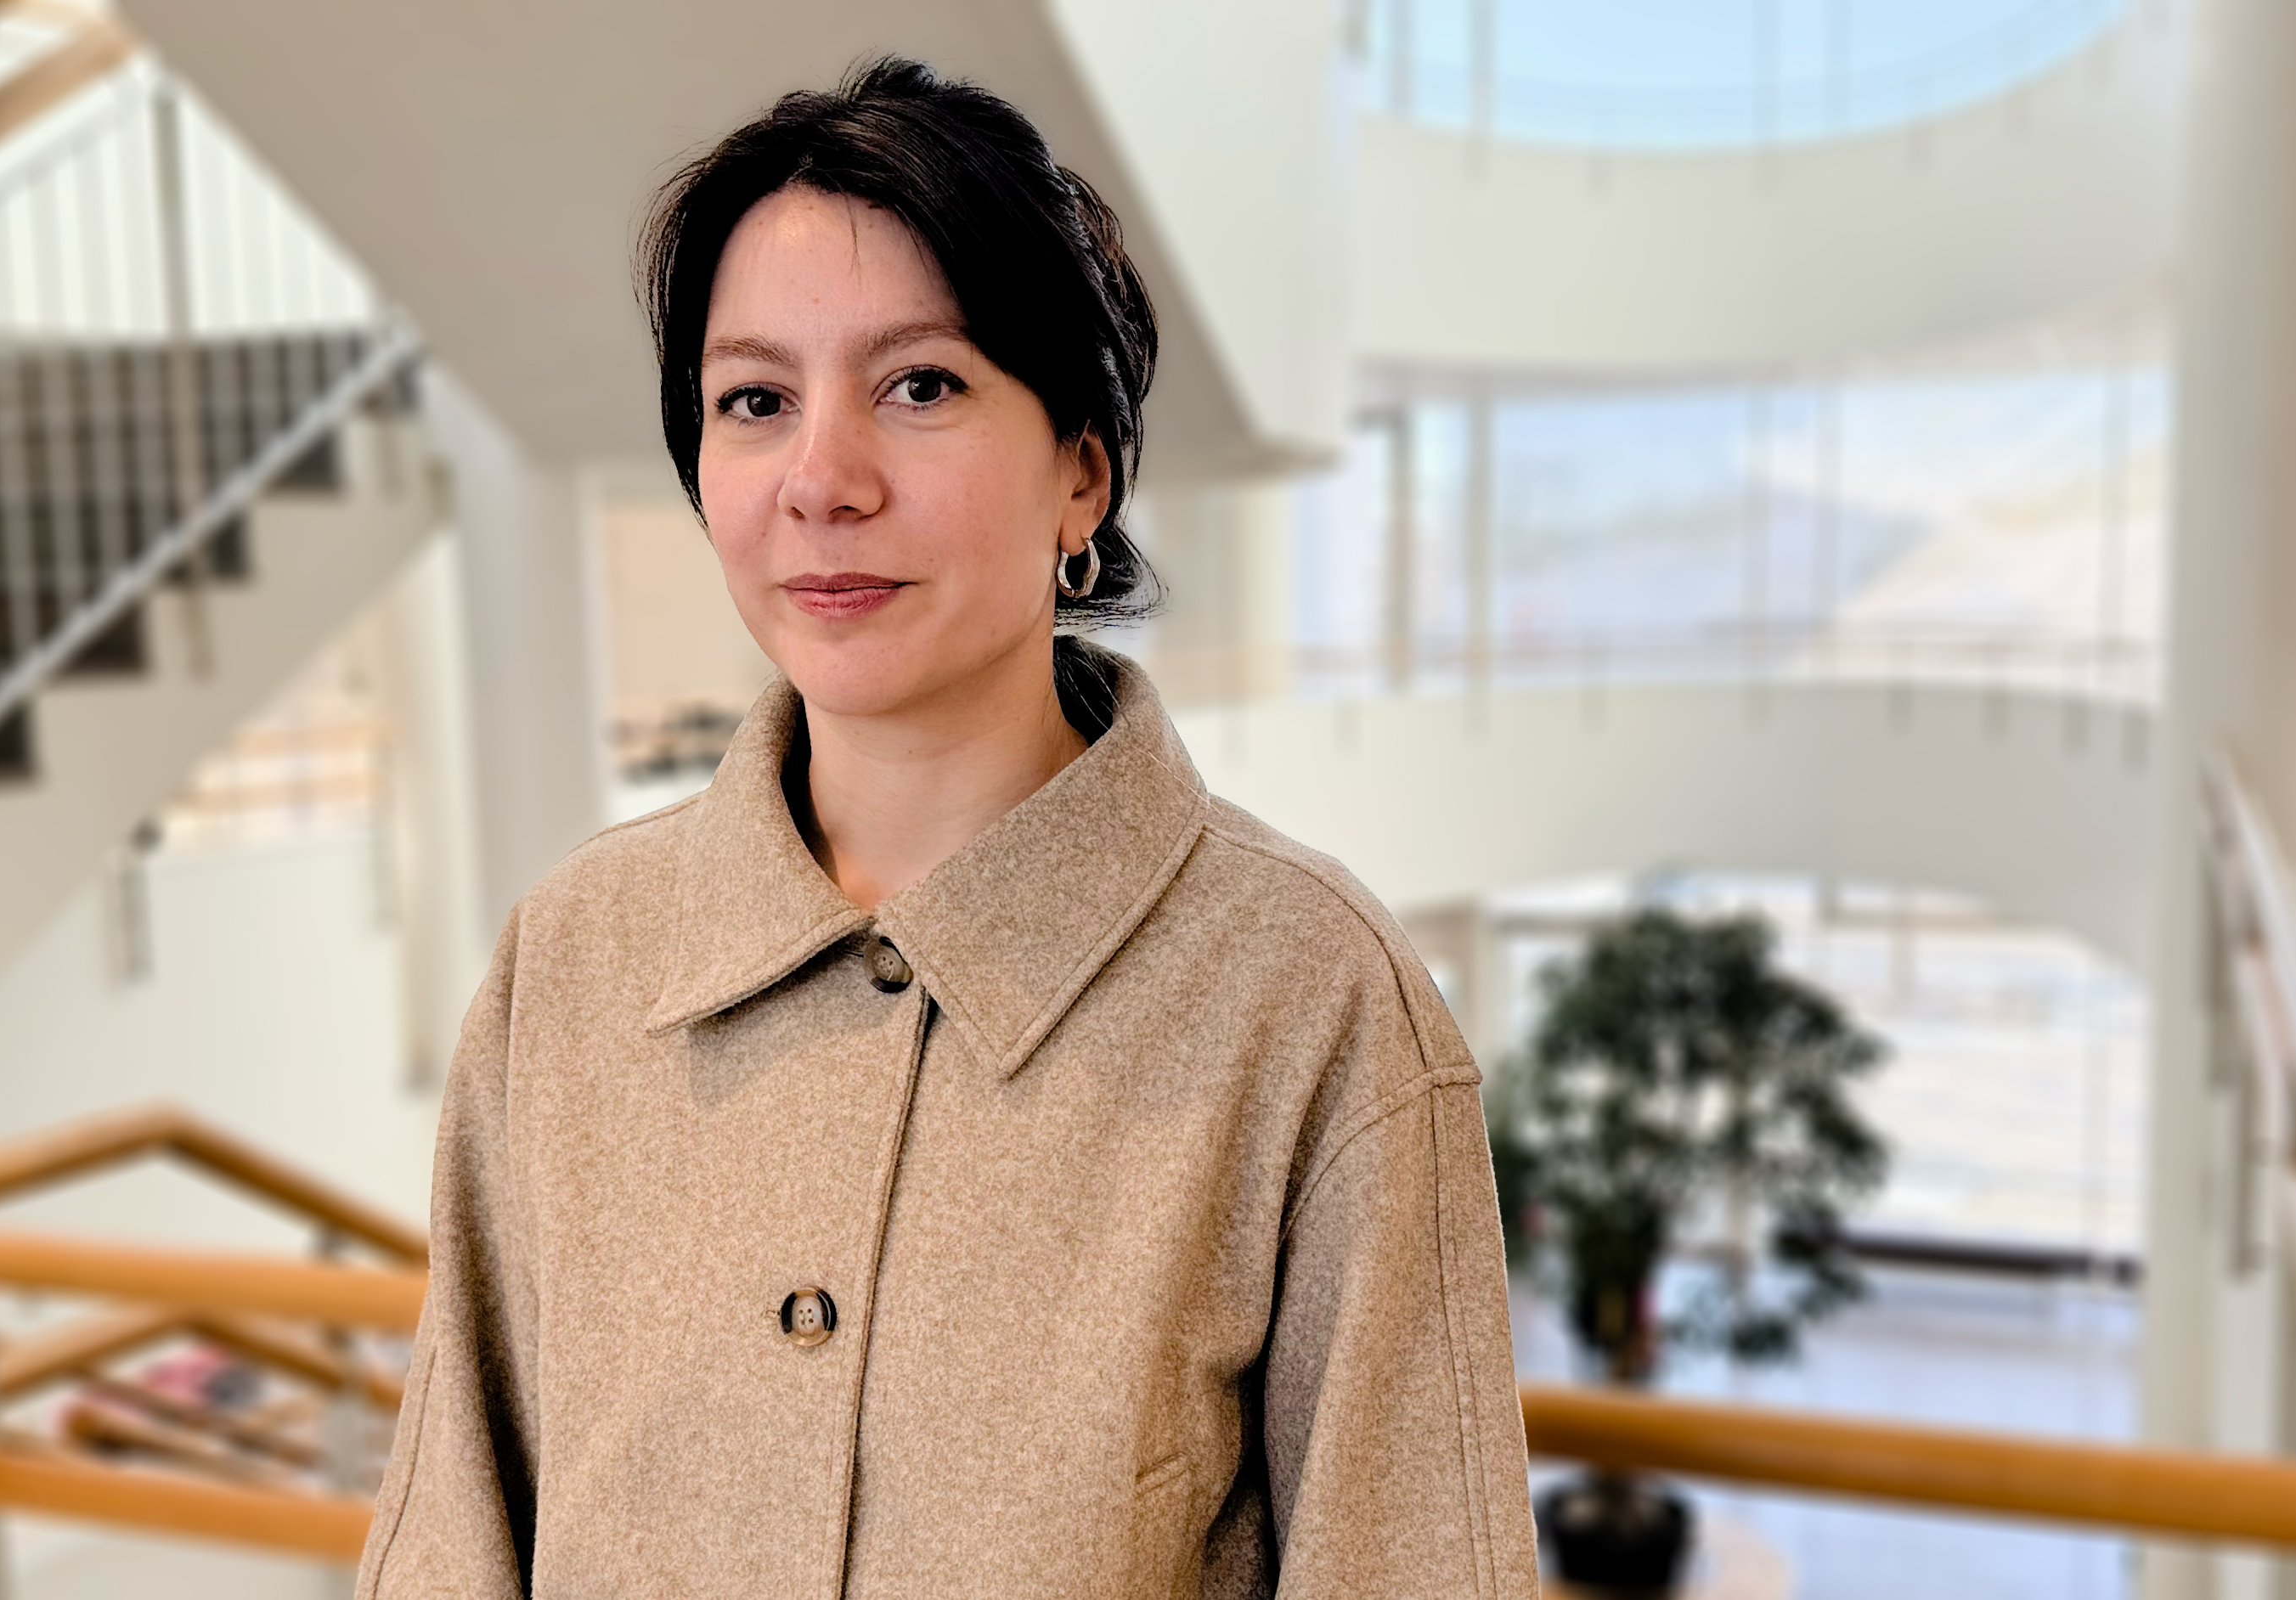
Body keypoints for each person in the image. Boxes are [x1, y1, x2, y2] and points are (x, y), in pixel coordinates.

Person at [356, 58, 1537, 1598]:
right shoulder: (572, 962)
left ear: (1080, 476)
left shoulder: (1310, 1001)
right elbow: (448, 1540)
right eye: (754, 401)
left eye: (920, 385)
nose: (821, 481)